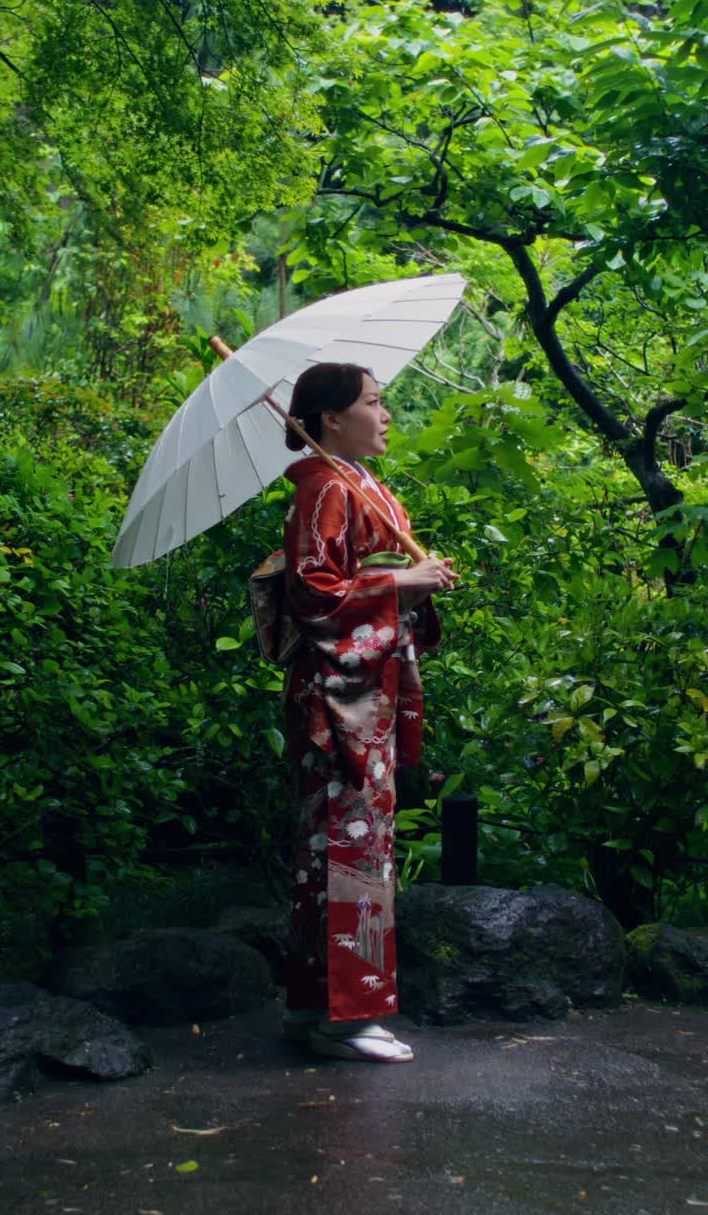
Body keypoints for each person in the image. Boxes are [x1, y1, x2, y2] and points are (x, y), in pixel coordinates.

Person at [280, 362, 458, 1063]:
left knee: (345, 845)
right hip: (338, 702)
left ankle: (311, 1007)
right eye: (373, 403)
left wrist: (415, 585)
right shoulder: (325, 489)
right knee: (345, 844)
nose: (385, 415)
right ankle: (346, 1015)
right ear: (329, 418)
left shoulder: (355, 486)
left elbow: (353, 586)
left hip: (365, 693)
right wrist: (400, 582)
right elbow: (314, 598)